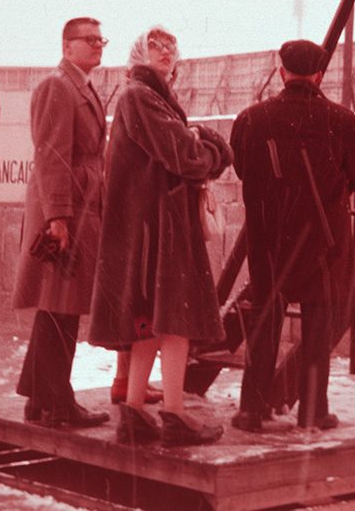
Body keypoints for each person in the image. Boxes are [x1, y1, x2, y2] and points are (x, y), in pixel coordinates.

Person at [89, 27, 232, 447]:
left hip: (147, 228)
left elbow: (177, 149)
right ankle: (173, 413)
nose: (166, 52)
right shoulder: (141, 96)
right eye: (156, 46)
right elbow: (185, 155)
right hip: (159, 229)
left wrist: (196, 141)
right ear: (140, 53)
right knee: (174, 319)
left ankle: (134, 410)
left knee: (148, 322)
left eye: (171, 46)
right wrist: (216, 149)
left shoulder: (143, 96)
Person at [229, 40, 355, 433]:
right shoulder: (341, 120)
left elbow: (242, 167)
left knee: (264, 321)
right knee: (318, 325)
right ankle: (313, 410)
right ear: (319, 75)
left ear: (282, 73)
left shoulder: (251, 119)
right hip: (322, 238)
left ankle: (251, 410)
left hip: (269, 236)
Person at [12, 16, 111, 428]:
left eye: (101, 39)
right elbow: (51, 155)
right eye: (90, 39)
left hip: (79, 203)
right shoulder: (58, 86)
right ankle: (56, 404)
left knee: (60, 305)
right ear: (67, 45)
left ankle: (41, 398)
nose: (98, 45)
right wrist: (57, 218)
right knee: (61, 306)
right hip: (67, 207)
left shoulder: (80, 86)